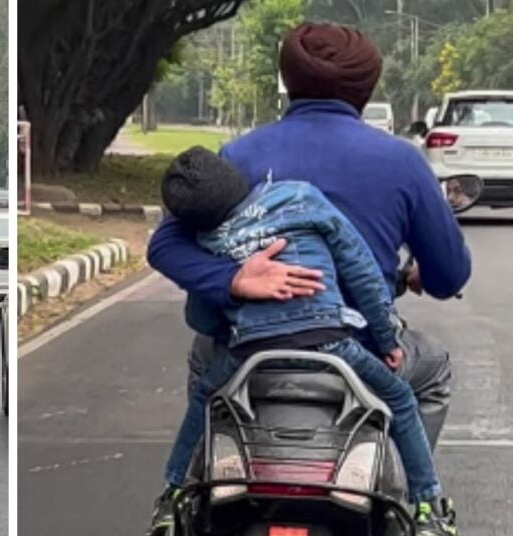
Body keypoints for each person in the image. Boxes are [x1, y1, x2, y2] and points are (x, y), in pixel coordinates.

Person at [146, 22, 469, 533]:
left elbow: (165, 244)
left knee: (201, 359)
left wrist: (233, 280)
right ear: (368, 87)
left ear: (286, 79)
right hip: (352, 347)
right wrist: (395, 313)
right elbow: (449, 276)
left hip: (246, 352)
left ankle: (184, 491)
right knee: (432, 372)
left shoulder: (238, 157)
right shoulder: (402, 162)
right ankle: (417, 505)